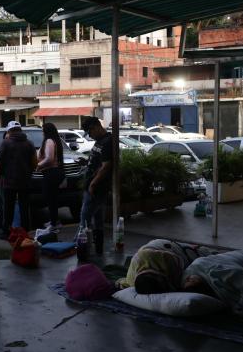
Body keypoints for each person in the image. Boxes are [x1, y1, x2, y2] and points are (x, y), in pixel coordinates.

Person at [116, 239, 214, 294]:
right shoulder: (132, 279)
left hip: (168, 247)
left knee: (204, 255)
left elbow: (180, 263)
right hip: (158, 248)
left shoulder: (168, 260)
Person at [78, 117, 113, 254]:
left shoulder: (108, 142)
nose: (90, 136)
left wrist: (93, 183)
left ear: (96, 127)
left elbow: (106, 166)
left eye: (90, 132)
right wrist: (85, 162)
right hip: (93, 186)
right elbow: (98, 162)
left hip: (97, 188)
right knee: (97, 220)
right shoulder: (100, 141)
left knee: (84, 220)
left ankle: (81, 248)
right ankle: (98, 248)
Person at [0, 121, 36, 237]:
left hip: (9, 182)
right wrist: (28, 173)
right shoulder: (29, 143)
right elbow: (34, 163)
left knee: (8, 207)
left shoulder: (6, 143)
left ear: (9, 131)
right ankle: (25, 231)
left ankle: (6, 231)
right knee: (24, 207)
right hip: (25, 181)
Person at [37, 123, 65, 230]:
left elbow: (49, 158)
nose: (42, 132)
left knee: (50, 199)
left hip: (51, 173)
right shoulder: (55, 140)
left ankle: (54, 224)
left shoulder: (49, 141)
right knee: (52, 198)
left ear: (47, 131)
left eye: (43, 130)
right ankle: (54, 221)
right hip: (53, 173)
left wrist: (38, 165)